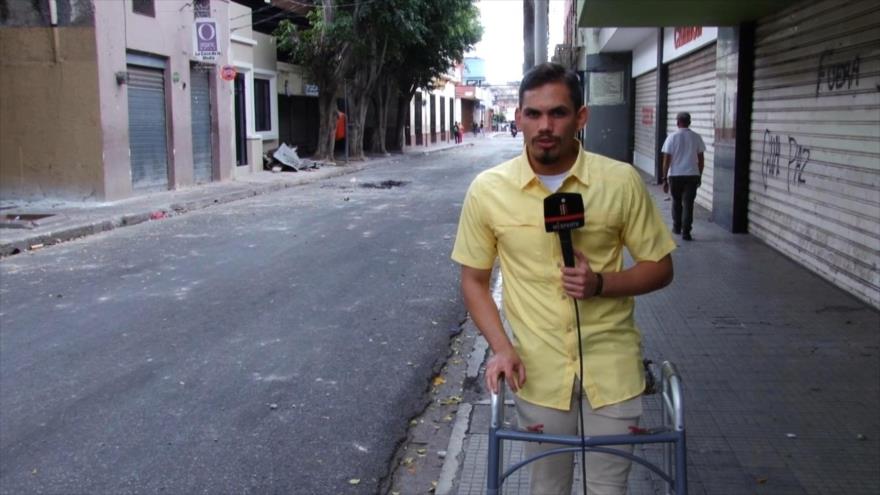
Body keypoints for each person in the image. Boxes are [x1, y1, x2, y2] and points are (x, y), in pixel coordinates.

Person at [451, 62, 675, 495]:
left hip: (612, 373)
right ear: (518, 118)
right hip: (536, 375)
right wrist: (501, 348)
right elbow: (474, 280)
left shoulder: (621, 182)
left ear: (581, 117)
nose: (544, 126)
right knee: (546, 488)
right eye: (533, 114)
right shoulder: (487, 190)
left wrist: (601, 285)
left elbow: (661, 267)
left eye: (558, 113)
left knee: (608, 490)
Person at [661, 112, 705, 241]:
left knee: (676, 201)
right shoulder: (696, 137)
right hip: (692, 175)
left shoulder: (672, 137)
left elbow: (666, 160)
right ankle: (686, 232)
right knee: (688, 204)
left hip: (675, 176)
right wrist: (699, 175)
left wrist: (664, 179)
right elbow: (701, 160)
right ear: (689, 122)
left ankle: (676, 227)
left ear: (677, 122)